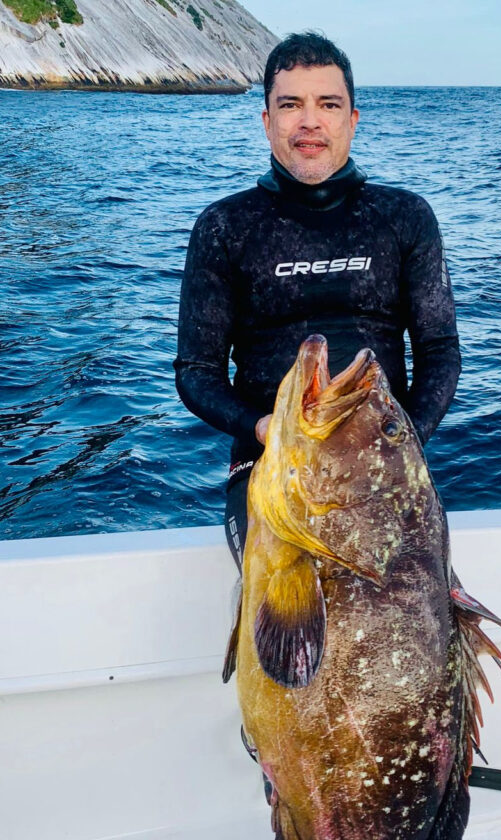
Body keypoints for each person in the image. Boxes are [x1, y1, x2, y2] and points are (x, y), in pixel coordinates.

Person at [175, 31, 460, 573]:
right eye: (290, 105)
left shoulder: (405, 218)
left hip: (386, 467)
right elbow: (196, 372)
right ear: (266, 121)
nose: (309, 121)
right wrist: (266, 429)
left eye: (328, 104)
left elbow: (440, 350)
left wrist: (398, 441)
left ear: (352, 120)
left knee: (417, 608)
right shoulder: (224, 227)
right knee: (295, 615)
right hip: (268, 466)